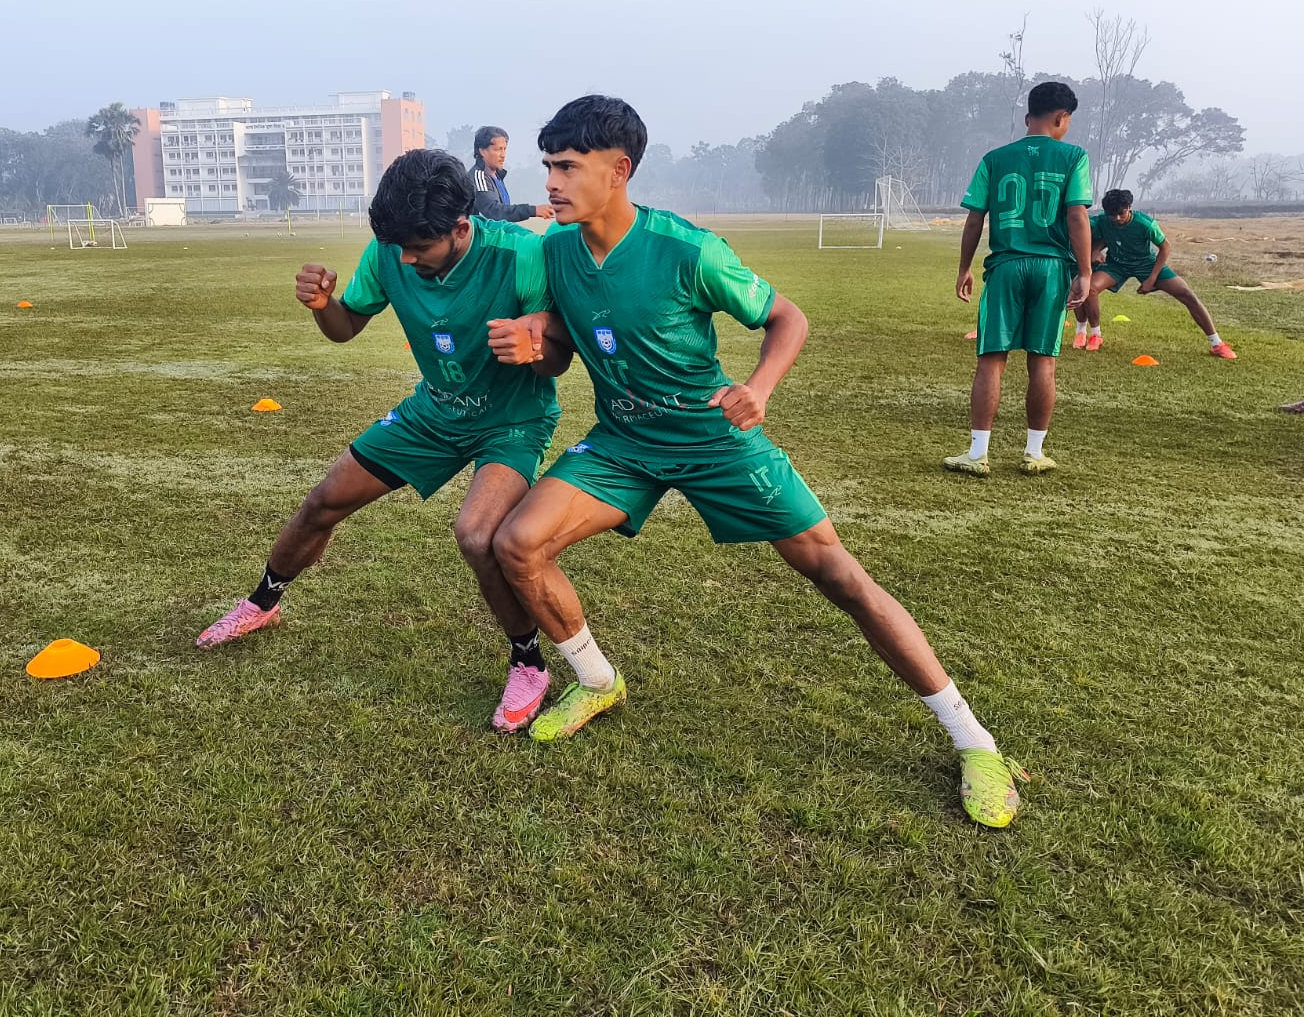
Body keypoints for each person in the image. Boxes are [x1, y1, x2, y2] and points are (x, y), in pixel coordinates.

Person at [486, 95, 1027, 829]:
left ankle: (974, 740)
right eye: (546, 165)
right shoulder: (556, 251)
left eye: (567, 167)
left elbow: (786, 317)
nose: (550, 181)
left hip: (713, 438)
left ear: (620, 171)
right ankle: (596, 680)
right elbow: (562, 352)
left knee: (841, 577)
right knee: (517, 544)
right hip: (622, 443)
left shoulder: (688, 250)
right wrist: (535, 344)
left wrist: (759, 388)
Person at [198, 149, 569, 734]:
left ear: (461, 228)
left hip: (511, 420)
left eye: (418, 247)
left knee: (477, 535)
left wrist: (538, 348)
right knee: (324, 501)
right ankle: (262, 602)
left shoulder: (523, 254)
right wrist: (323, 306)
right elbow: (346, 328)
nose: (404, 258)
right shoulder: (391, 250)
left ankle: (529, 663)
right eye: (396, 245)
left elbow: (558, 358)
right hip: (433, 412)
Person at [945, 82, 1092, 477]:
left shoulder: (995, 159)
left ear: (1030, 117)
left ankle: (977, 454)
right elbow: (1078, 216)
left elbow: (975, 217)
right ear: (1062, 118)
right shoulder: (1073, 156)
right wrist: (1084, 271)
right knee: (1043, 362)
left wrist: (964, 267)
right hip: (1051, 268)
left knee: (991, 361)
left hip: (1006, 265)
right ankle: (1034, 452)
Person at [1074, 189, 1236, 359]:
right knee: (1087, 287)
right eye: (1111, 215)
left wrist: (1152, 279)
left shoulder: (1146, 224)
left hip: (1146, 264)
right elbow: (1088, 230)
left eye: (1121, 214)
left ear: (1130, 207)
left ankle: (1217, 343)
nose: (1117, 219)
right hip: (1116, 265)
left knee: (1186, 293)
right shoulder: (1104, 220)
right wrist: (1094, 251)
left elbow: (1165, 247)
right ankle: (1094, 334)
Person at [470, 126, 553, 224]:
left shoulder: (497, 176)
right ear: (482, 151)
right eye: (498, 149)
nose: (503, 155)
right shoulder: (479, 177)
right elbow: (493, 211)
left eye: (504, 149)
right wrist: (532, 210)